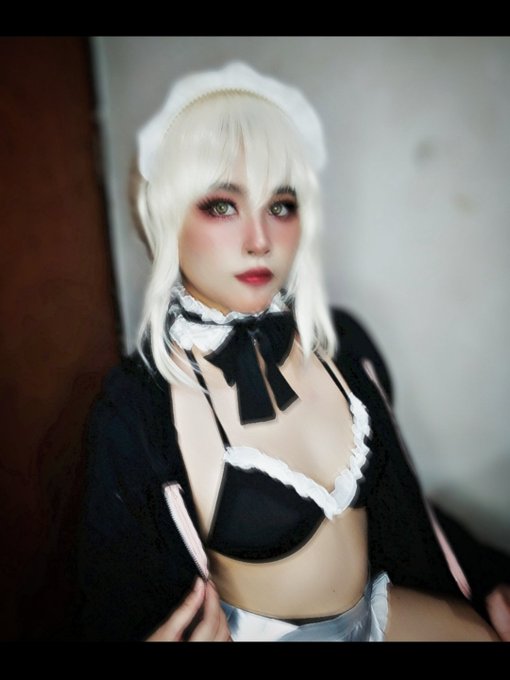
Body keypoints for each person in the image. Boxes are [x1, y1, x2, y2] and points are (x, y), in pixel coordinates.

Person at [73, 61, 505, 641]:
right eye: (221, 205)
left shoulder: (344, 344)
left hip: (383, 614)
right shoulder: (137, 410)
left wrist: (489, 578)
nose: (260, 240)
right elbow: (111, 594)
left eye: (280, 205)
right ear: (163, 215)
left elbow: (407, 508)